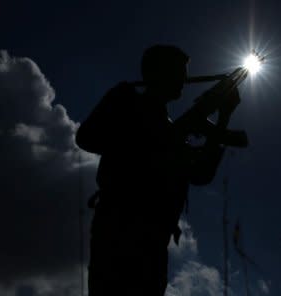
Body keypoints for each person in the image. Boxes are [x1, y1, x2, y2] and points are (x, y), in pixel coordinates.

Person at [75, 44, 241, 296]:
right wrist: (156, 139)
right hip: (120, 226)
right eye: (179, 73)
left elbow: (200, 174)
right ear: (159, 73)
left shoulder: (171, 127)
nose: (184, 80)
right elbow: (87, 138)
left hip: (154, 238)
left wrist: (223, 117)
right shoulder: (126, 101)